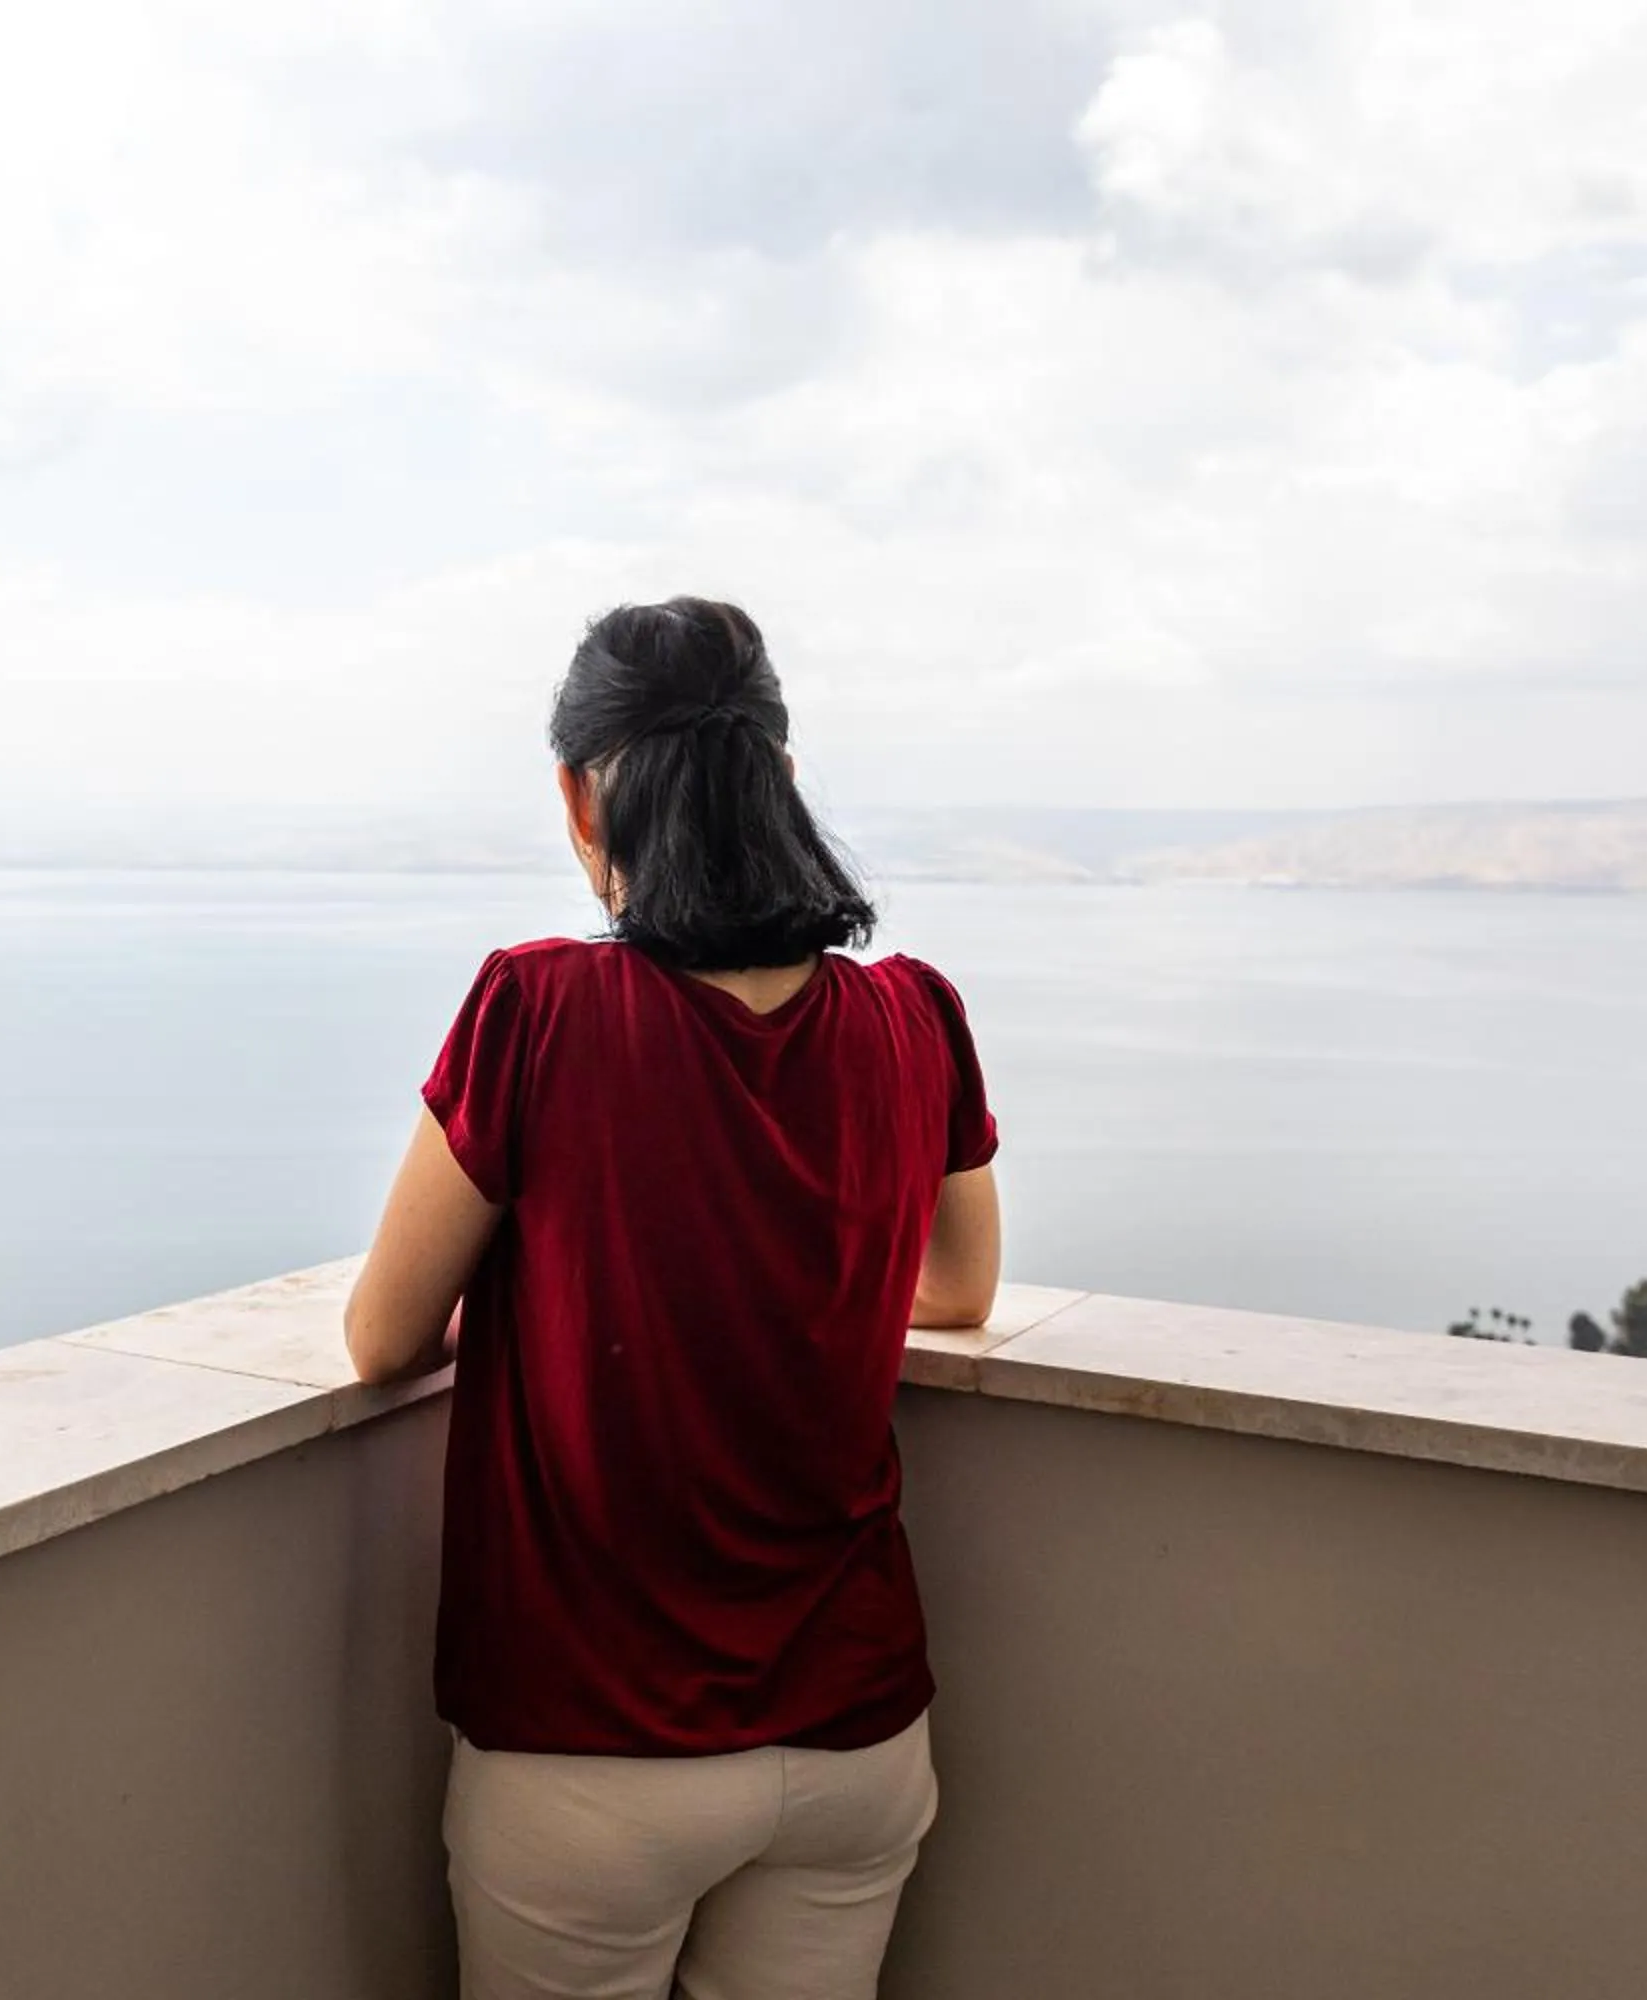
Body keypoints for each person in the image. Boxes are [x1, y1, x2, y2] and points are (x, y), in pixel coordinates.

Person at [346, 597, 1002, 2000]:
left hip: (592, 1749)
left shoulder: (538, 1008)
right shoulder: (914, 1016)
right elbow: (958, 1291)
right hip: (860, 1742)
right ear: (778, 771)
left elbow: (382, 1338)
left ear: (583, 799)